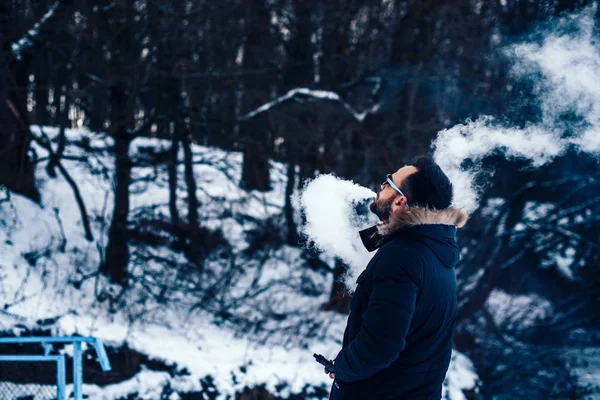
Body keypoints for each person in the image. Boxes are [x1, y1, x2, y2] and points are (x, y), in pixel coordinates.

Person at [327, 156, 468, 400]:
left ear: (400, 202)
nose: (382, 184)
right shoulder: (436, 252)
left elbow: (379, 347)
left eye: (389, 182)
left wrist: (342, 368)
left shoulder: (402, 256)